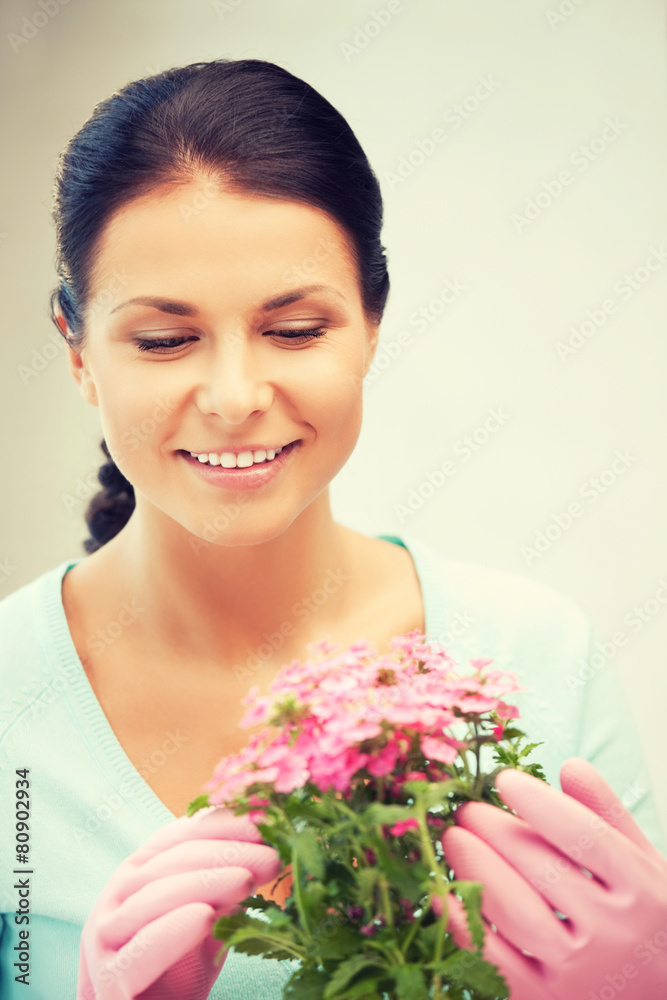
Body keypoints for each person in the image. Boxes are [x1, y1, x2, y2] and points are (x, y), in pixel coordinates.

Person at [0, 57, 664, 999]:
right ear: (76, 351)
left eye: (297, 329)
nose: (234, 398)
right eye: (164, 339)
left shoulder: (538, 655)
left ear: (371, 324)